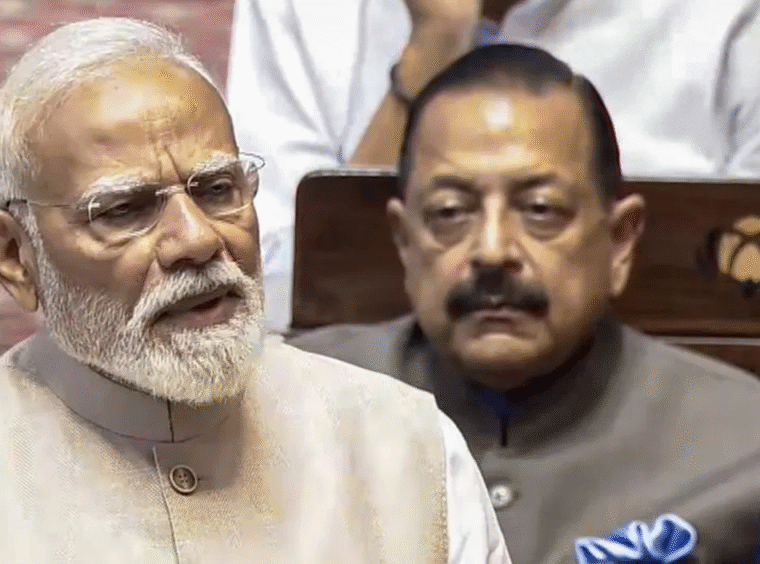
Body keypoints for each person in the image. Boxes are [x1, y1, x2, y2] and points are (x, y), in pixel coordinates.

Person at [0, 18, 515, 564]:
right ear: (13, 256)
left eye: (217, 189)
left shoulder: (408, 450)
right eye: (125, 209)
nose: (196, 240)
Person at [290, 43, 760, 564]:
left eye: (540, 210)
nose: (492, 251)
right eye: (450, 212)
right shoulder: (295, 404)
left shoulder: (742, 447)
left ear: (620, 241)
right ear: (404, 240)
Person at [227, 0, 760, 332]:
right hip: (372, 398)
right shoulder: (301, 10)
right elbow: (264, 293)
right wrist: (433, 45)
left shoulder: (726, 16)